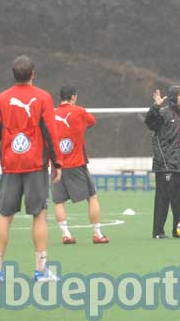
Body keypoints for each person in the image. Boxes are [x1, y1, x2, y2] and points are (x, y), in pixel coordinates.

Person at [0, 55, 63, 282]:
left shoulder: (2, 99)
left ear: (13, 75)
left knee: (5, 216)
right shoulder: (43, 97)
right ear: (33, 74)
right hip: (35, 165)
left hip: (10, 165)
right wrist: (57, 163)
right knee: (40, 216)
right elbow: (51, 132)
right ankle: (41, 271)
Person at [51, 84, 110, 245]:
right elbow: (91, 122)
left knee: (58, 201)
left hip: (57, 165)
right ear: (73, 97)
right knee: (92, 197)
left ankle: (66, 235)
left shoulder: (51, 114)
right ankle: (97, 234)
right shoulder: (79, 111)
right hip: (77, 164)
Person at [145, 85, 180, 239]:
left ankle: (179, 230)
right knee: (163, 200)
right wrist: (155, 107)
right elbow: (150, 122)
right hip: (165, 164)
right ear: (173, 96)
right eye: (179, 94)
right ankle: (158, 231)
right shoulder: (163, 113)